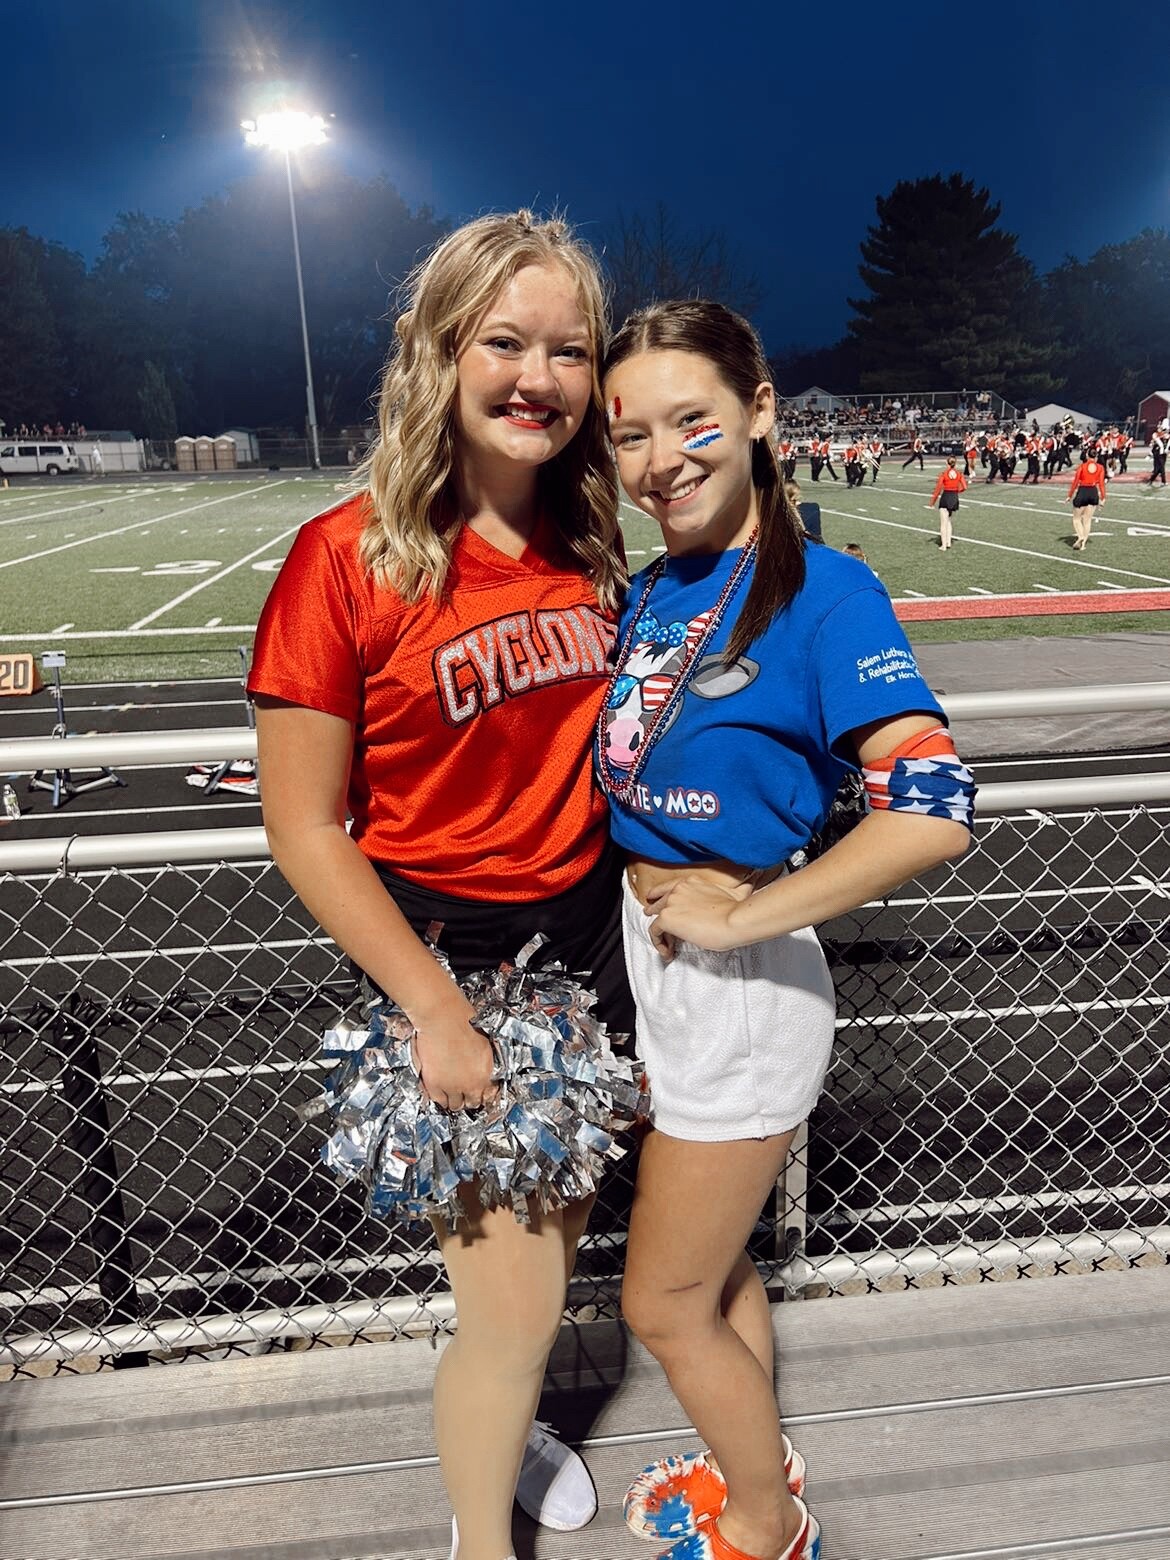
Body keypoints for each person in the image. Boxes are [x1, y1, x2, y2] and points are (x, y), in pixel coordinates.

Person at [247, 211, 633, 1560]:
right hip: (453, 959)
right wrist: (431, 1008)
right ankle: (479, 1537)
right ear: (439, 352)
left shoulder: (593, 540)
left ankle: (509, 1429)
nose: (538, 377)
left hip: (593, 938)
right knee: (514, 1311)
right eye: (504, 342)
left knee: (547, 1264)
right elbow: (305, 827)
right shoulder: (343, 557)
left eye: (569, 350)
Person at [599, 301, 973, 1560]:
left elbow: (933, 810)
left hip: (744, 989)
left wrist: (748, 910)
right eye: (632, 435)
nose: (663, 461)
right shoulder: (658, 589)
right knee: (713, 1272)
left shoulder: (825, 591)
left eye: (693, 422)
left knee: (659, 1303)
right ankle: (754, 1460)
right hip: (667, 972)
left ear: (761, 413)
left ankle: (767, 1527)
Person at [1068, 448, 1107, 549]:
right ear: (1096, 456)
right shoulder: (1100, 467)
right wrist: (1103, 498)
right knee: (1087, 520)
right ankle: (1083, 545)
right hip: (1093, 492)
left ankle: (1080, 536)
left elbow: (1076, 482)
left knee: (1076, 519)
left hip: (1083, 491)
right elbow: (1101, 484)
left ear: (1087, 456)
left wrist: (1069, 495)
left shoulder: (1082, 466)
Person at [927, 456, 967, 550]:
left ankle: (943, 545)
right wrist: (957, 491)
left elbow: (938, 489)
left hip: (946, 497)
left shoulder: (944, 474)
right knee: (949, 521)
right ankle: (948, 542)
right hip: (954, 497)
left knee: (943, 523)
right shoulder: (959, 474)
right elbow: (964, 487)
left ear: (947, 463)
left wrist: (932, 502)